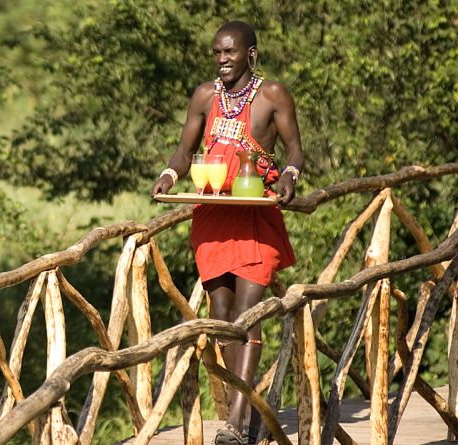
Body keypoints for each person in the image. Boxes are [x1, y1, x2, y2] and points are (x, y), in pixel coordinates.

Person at [150, 21, 304, 445]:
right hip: (213, 216)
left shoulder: (273, 95)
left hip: (254, 215)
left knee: (246, 316)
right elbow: (184, 152)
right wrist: (168, 175)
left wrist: (289, 176)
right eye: (217, 52)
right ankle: (250, 409)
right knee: (221, 317)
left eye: (230, 52)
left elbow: (295, 149)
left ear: (250, 53)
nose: (222, 60)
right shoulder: (205, 96)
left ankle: (236, 422)